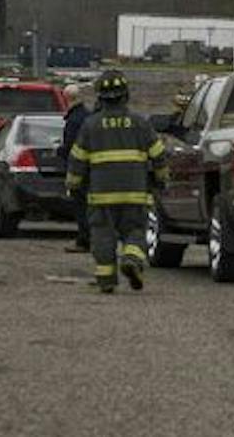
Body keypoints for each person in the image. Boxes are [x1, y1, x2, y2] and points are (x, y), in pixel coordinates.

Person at [65, 70, 167, 294]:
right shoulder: (140, 123)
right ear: (125, 96)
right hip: (135, 193)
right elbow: (159, 154)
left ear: (100, 98)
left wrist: (72, 185)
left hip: (101, 195)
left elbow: (77, 159)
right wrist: (162, 179)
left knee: (102, 234)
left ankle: (106, 279)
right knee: (136, 231)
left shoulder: (90, 125)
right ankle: (131, 258)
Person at [58, 82, 91, 252]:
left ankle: (84, 240)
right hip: (92, 168)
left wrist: (60, 152)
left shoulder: (73, 120)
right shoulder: (87, 116)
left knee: (81, 205)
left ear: (66, 99)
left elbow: (71, 146)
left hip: (79, 168)